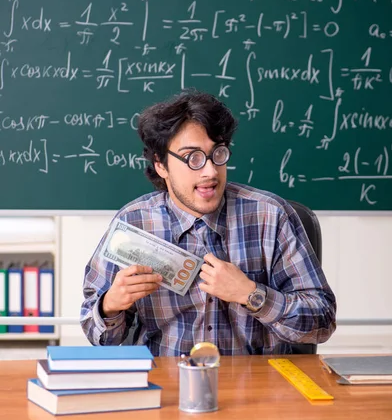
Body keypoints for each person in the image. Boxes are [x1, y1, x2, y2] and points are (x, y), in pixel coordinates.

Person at [81, 90, 336, 355]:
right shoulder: (133, 223)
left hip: (257, 385)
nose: (210, 171)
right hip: (166, 382)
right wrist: (110, 305)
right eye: (193, 158)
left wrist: (251, 295)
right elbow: (97, 333)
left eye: (218, 154)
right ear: (161, 165)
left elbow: (322, 322)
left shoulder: (271, 217)